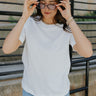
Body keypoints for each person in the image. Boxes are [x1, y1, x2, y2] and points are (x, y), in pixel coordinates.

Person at [2, 0, 93, 96]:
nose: (46, 8)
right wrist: (24, 17)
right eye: (43, 3)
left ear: (59, 4)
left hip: (59, 92)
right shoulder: (29, 23)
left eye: (51, 3)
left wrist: (69, 18)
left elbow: (87, 53)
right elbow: (7, 49)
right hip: (31, 92)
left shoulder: (67, 27)